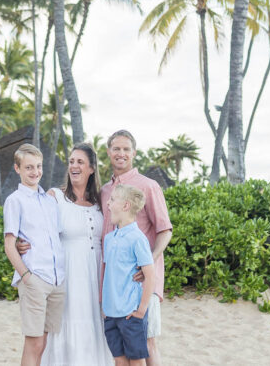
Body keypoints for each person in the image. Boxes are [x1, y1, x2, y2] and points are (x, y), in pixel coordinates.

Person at [99, 130, 172, 366]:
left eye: (126, 149)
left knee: (148, 343)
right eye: (116, 149)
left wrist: (148, 261)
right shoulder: (105, 191)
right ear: (109, 152)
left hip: (141, 285)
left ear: (134, 153)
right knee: (122, 351)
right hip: (115, 289)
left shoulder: (148, 186)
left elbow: (165, 230)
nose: (121, 154)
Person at [42, 143, 113, 366]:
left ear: (91, 168)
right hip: (69, 274)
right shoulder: (55, 196)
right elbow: (37, 229)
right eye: (71, 161)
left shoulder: (101, 202)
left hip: (97, 275)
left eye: (80, 162)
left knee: (95, 323)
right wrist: (22, 243)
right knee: (68, 322)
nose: (74, 166)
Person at [4, 143, 67, 366]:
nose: (35, 172)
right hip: (35, 279)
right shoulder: (14, 201)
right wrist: (27, 276)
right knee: (33, 343)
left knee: (43, 342)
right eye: (29, 167)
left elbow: (57, 239)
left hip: (57, 280)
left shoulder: (50, 202)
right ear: (17, 168)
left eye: (38, 166)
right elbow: (9, 244)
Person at [101, 184, 155, 366]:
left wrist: (142, 309)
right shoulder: (109, 239)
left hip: (130, 313)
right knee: (119, 360)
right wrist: (105, 305)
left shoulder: (138, 238)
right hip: (110, 312)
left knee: (136, 360)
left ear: (125, 206)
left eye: (112, 200)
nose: (108, 203)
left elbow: (150, 275)